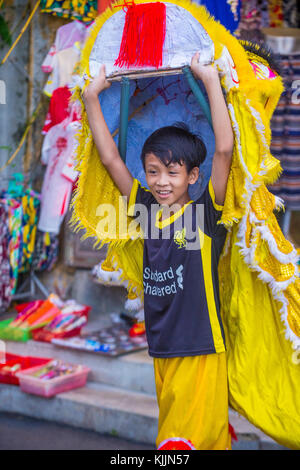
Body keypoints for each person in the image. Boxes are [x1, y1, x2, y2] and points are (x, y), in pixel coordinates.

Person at [82, 52, 234, 451]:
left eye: (172, 172)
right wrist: (91, 98)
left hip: (200, 344)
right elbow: (110, 157)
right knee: (190, 441)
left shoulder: (206, 212)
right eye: (153, 171)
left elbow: (223, 151)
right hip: (162, 345)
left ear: (192, 176)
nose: (161, 181)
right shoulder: (145, 207)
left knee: (182, 445)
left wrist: (210, 80)